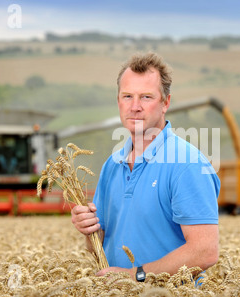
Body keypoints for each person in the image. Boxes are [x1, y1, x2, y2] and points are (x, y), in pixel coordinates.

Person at [71, 52, 220, 281]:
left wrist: (136, 276)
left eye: (147, 97)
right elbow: (100, 245)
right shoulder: (112, 165)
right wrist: (88, 228)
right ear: (118, 101)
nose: (135, 106)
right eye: (128, 96)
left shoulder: (187, 164)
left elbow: (205, 251)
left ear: (165, 103)